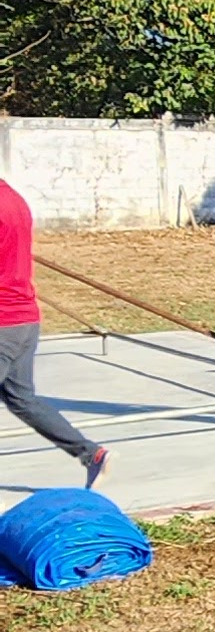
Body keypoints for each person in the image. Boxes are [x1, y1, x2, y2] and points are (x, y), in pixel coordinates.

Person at [0, 179, 110, 488]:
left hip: (3, 322)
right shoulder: (15, 199)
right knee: (22, 399)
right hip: (24, 318)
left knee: (22, 398)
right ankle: (92, 454)